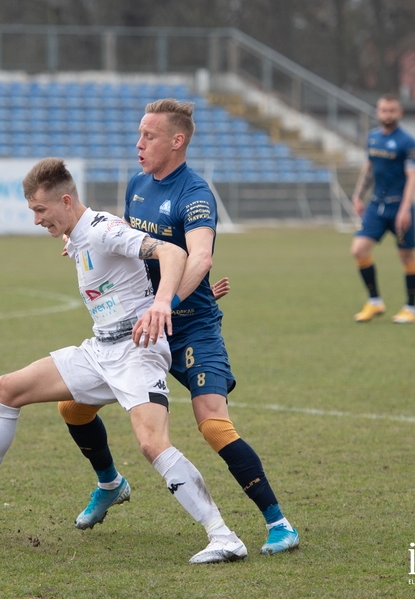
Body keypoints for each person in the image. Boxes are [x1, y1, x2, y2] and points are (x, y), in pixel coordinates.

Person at [0, 158, 248, 565]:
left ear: (65, 200)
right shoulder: (79, 234)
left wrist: (162, 305)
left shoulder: (101, 229)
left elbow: (170, 252)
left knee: (152, 444)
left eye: (40, 211)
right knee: (5, 389)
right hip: (99, 351)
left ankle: (223, 536)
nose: (36, 220)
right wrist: (71, 239)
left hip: (137, 351)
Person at [56, 99, 299, 556]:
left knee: (212, 424)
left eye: (148, 136)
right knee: (73, 407)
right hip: (142, 328)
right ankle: (109, 482)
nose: (138, 143)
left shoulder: (195, 194)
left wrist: (169, 302)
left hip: (190, 329)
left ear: (176, 141)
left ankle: (279, 523)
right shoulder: (137, 185)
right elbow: (130, 243)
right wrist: (78, 238)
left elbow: (200, 257)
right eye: (139, 134)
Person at [350, 93, 415, 324]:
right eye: (383, 110)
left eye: (392, 110)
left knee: (406, 256)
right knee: (359, 250)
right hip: (376, 206)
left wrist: (405, 208)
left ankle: (410, 308)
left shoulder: (408, 143)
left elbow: (412, 177)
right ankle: (374, 302)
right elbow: (369, 168)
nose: (387, 114)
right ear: (377, 112)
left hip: (399, 207)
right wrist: (358, 195)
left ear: (399, 113)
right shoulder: (372, 138)